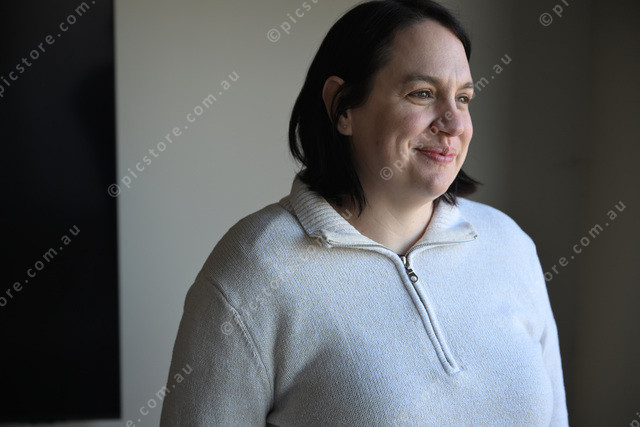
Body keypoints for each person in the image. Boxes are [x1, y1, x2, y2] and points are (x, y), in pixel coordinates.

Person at [160, 0, 569, 425]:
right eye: (422, 93)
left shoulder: (509, 245)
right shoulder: (255, 269)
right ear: (343, 107)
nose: (454, 123)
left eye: (463, 98)